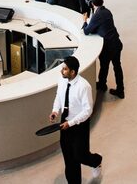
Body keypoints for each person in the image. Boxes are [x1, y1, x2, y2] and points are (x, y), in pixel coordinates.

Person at [49, 55, 102, 184]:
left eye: (65, 69)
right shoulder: (61, 80)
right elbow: (59, 96)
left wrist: (71, 123)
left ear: (73, 72)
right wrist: (55, 110)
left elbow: (87, 111)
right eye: (62, 68)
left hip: (79, 125)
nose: (62, 71)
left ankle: (96, 161)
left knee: (80, 155)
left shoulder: (84, 86)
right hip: (64, 122)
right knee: (69, 158)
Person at [82, 0, 124, 98]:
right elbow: (102, 26)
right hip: (116, 43)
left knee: (104, 66)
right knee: (117, 67)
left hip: (108, 47)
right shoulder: (107, 11)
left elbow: (87, 31)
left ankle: (102, 85)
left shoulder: (97, 15)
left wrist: (85, 20)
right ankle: (120, 90)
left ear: (92, 4)